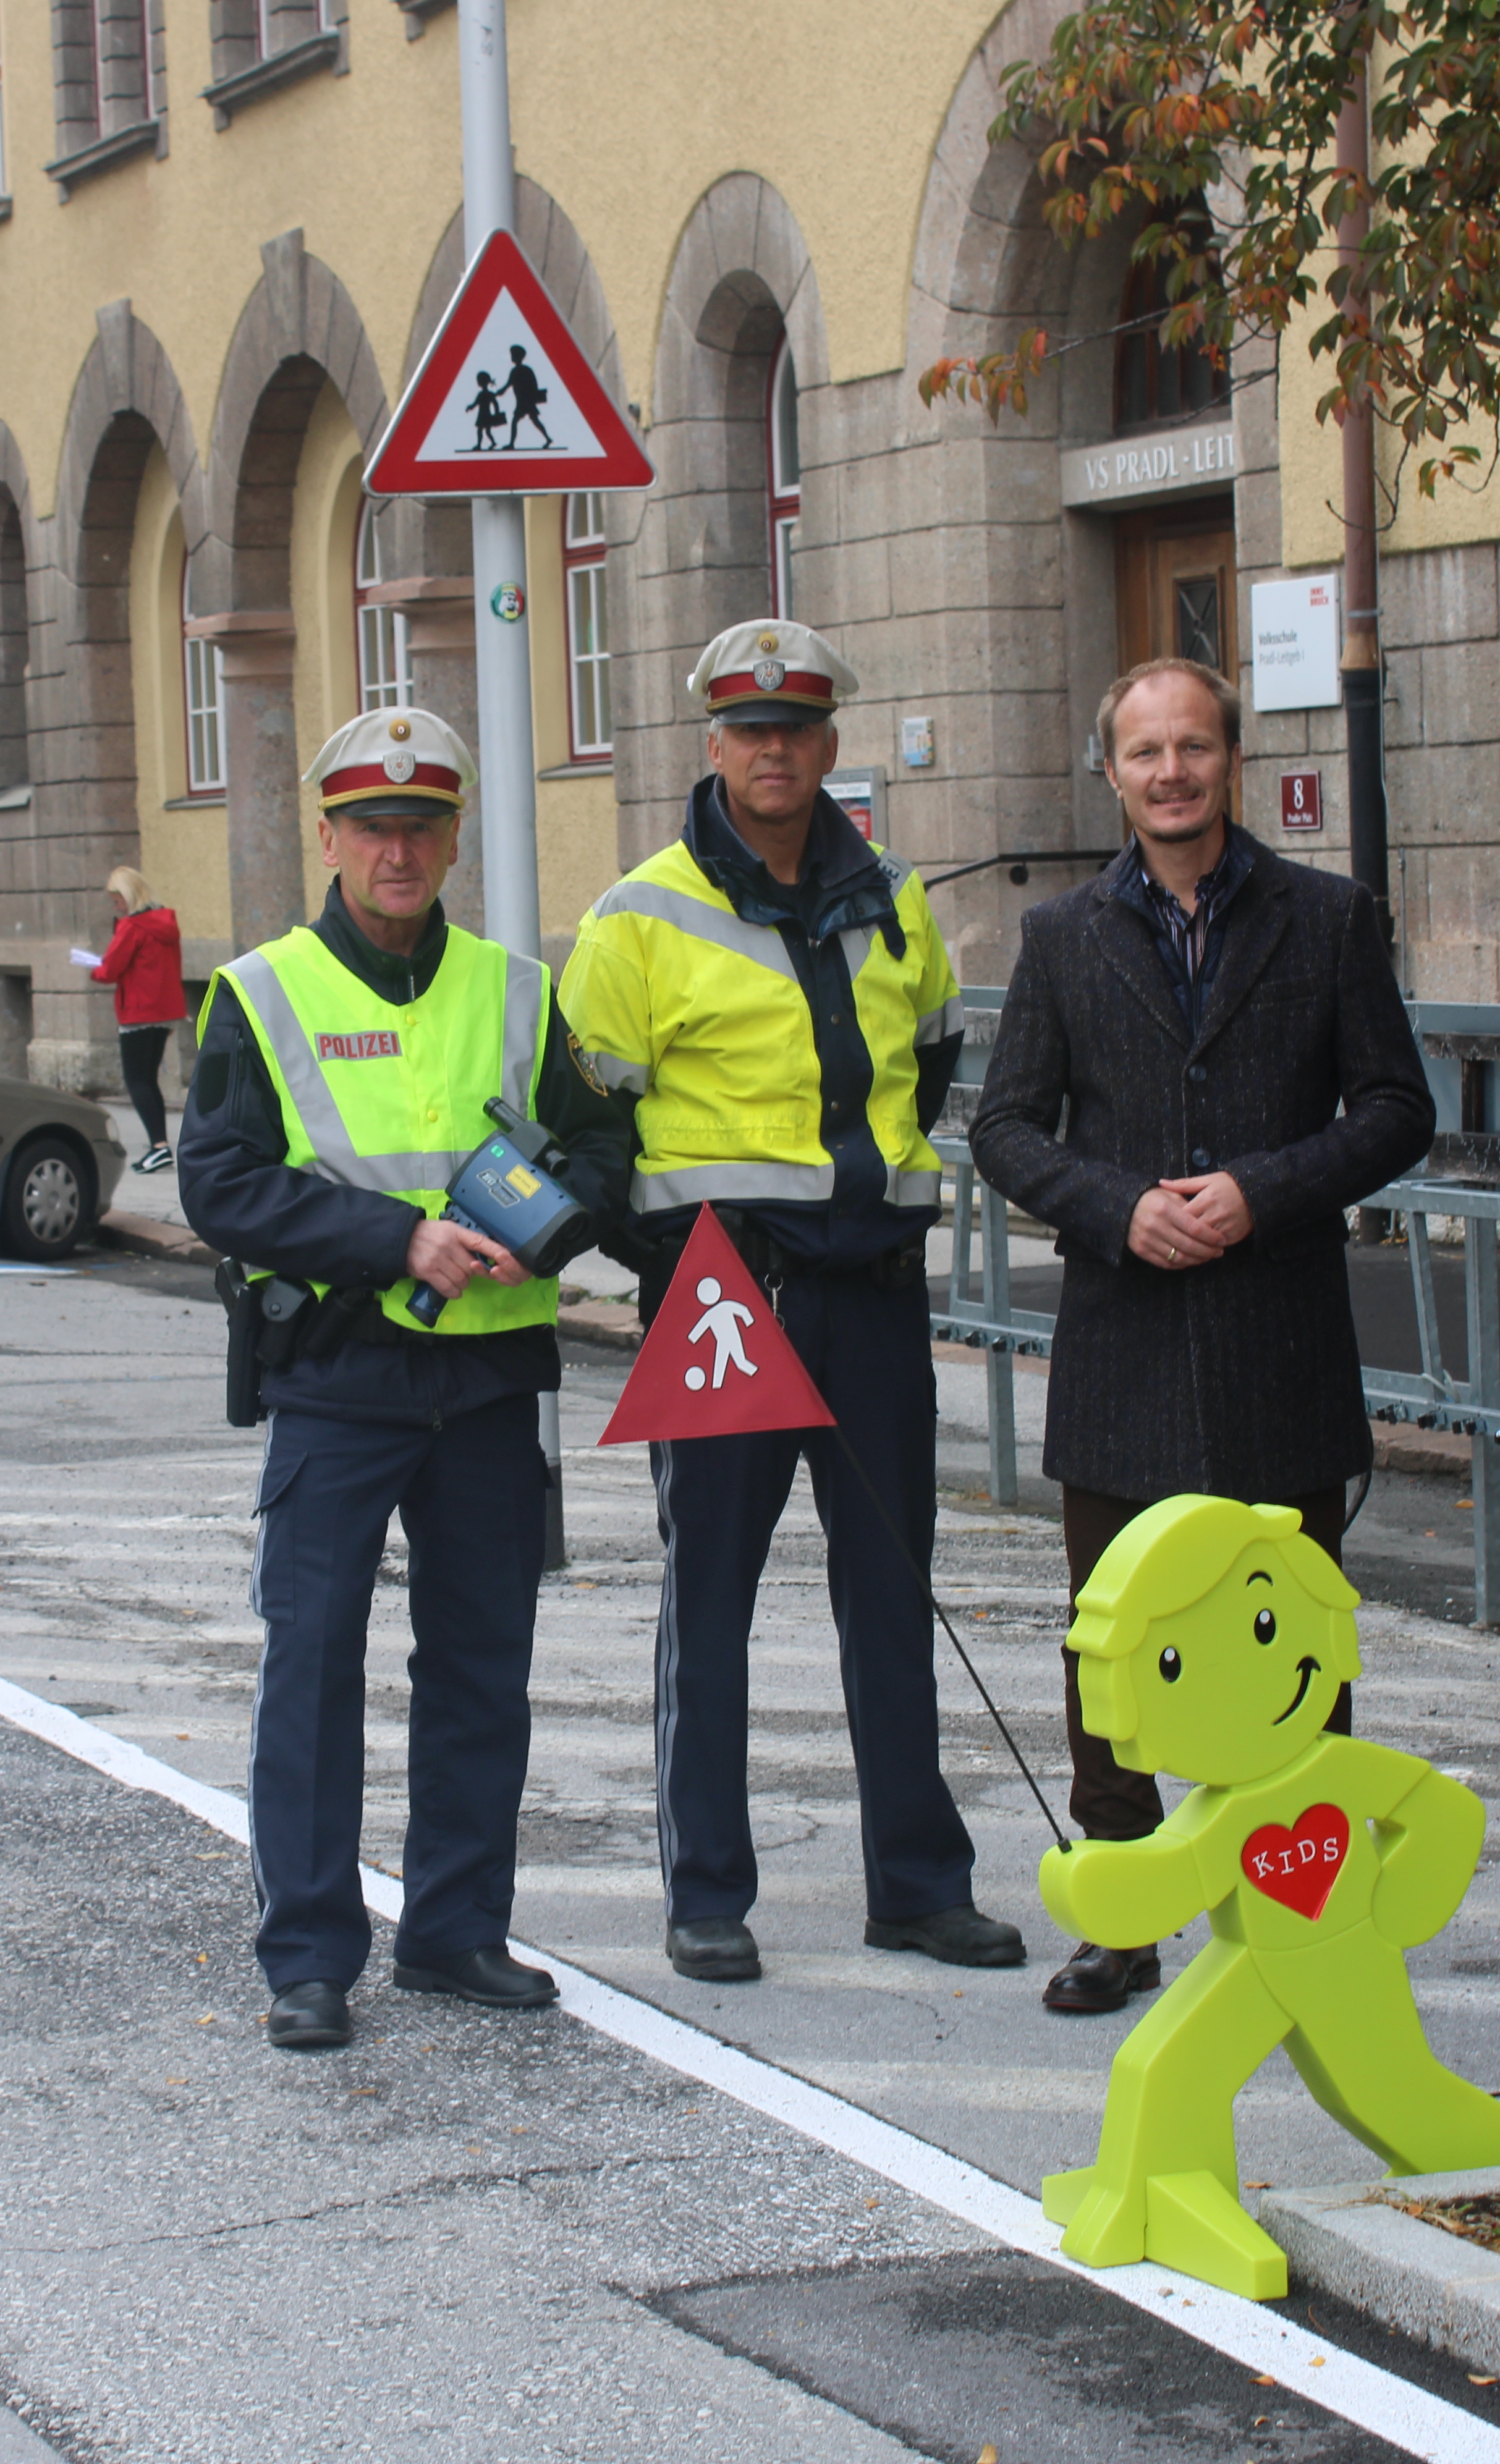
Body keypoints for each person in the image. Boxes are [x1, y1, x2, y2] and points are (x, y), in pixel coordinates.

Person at [563, 617, 1027, 1985]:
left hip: (871, 1292)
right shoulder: (639, 913)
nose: (775, 749)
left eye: (799, 727)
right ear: (714, 743)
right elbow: (586, 1122)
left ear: (830, 743)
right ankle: (707, 1887)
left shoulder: (894, 895)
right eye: (750, 728)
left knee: (894, 1593)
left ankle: (919, 1885)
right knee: (712, 1597)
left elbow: (928, 1066)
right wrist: (679, 1262)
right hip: (726, 1299)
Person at [968, 654, 1431, 2017]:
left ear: (1230, 756)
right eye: (1144, 751)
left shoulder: (1332, 919)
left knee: (1296, 1632)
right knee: (1112, 1637)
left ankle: (1304, 1902)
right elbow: (1002, 1127)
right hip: (1122, 1336)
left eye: (1194, 746)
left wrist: (1260, 1191)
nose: (1170, 771)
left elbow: (1396, 1107)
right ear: (1108, 771)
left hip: (1277, 1330)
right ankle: (1124, 1905)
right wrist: (1117, 1208)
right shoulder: (1059, 937)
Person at [177, 708, 630, 2053]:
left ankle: (453, 1932)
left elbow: (607, 1147)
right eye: (373, 824)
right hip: (338, 1372)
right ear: (329, 835)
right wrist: (397, 1237)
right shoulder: (260, 993)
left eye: (422, 824)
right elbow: (221, 1180)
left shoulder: (515, 987)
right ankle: (311, 1956)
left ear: (451, 840)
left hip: (490, 1374)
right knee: (313, 1667)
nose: (398, 848)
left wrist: (550, 1219)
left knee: (483, 1667)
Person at [88, 865, 186, 1173]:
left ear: (129, 896)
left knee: (137, 1080)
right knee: (148, 1080)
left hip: (137, 1012)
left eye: (117, 898)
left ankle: (159, 1147)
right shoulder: (166, 922)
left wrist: (94, 966)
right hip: (165, 1011)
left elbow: (109, 971)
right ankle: (160, 1147)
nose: (115, 905)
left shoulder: (132, 927)